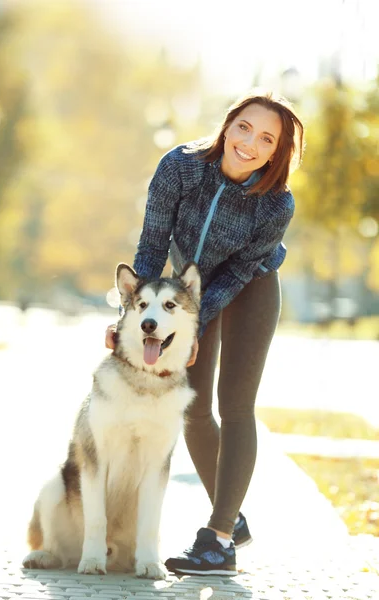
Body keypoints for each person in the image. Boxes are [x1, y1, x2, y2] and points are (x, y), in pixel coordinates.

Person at [106, 91, 304, 576]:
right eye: (244, 127)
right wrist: (130, 318)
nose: (250, 144)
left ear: (276, 153)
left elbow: (237, 274)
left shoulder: (276, 203)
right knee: (192, 404)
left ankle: (217, 543)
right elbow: (152, 247)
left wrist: (196, 324)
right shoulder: (180, 168)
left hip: (251, 286)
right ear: (228, 124)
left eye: (266, 140)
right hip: (186, 285)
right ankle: (230, 514)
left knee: (235, 405)